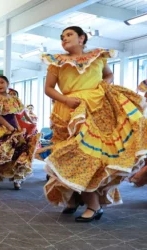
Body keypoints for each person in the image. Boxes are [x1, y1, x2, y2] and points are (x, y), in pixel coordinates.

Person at [42, 26, 147, 223]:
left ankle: (93, 204)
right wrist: (65, 101)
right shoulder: (56, 61)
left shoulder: (98, 56)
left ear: (82, 38)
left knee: (89, 155)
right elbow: (48, 88)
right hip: (69, 110)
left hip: (98, 108)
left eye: (69, 35)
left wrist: (105, 84)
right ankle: (73, 199)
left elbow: (108, 75)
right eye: (62, 37)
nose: (64, 39)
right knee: (67, 155)